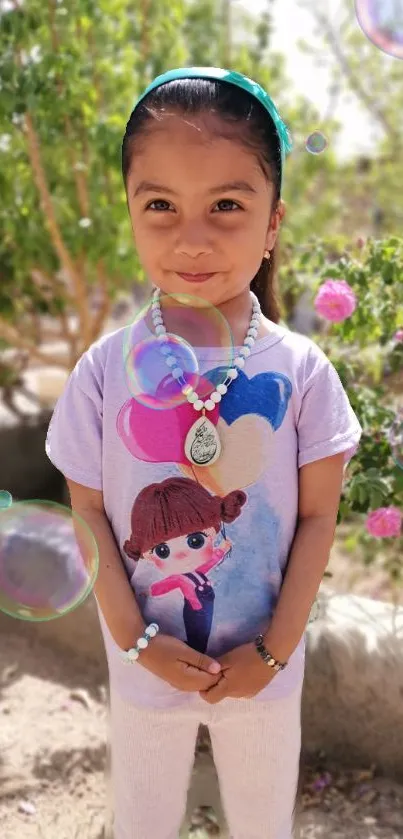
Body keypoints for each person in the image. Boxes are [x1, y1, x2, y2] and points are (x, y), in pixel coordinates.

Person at [45, 67, 362, 839]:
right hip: (142, 665)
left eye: (226, 204)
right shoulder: (100, 371)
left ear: (274, 221)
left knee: (261, 822)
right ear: (129, 214)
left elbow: (318, 517)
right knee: (143, 820)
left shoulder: (301, 371)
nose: (192, 237)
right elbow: (86, 512)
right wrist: (140, 641)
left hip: (263, 669)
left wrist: (272, 653)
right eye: (160, 205)